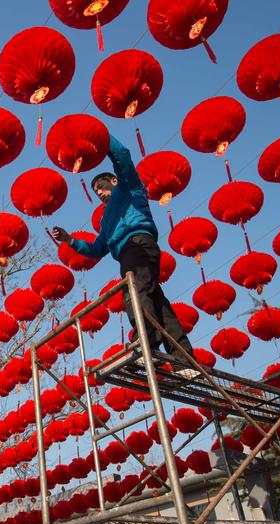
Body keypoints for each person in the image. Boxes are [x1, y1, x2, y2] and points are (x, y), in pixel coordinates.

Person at [52, 133, 197, 374]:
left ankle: (146, 344)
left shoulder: (129, 187)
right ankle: (184, 360)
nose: (99, 192)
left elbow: (123, 157)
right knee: (157, 304)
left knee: (135, 292)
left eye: (101, 186)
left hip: (138, 244)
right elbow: (97, 248)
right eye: (96, 191)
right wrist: (69, 240)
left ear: (114, 181)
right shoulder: (106, 219)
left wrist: (101, 135)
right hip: (126, 253)